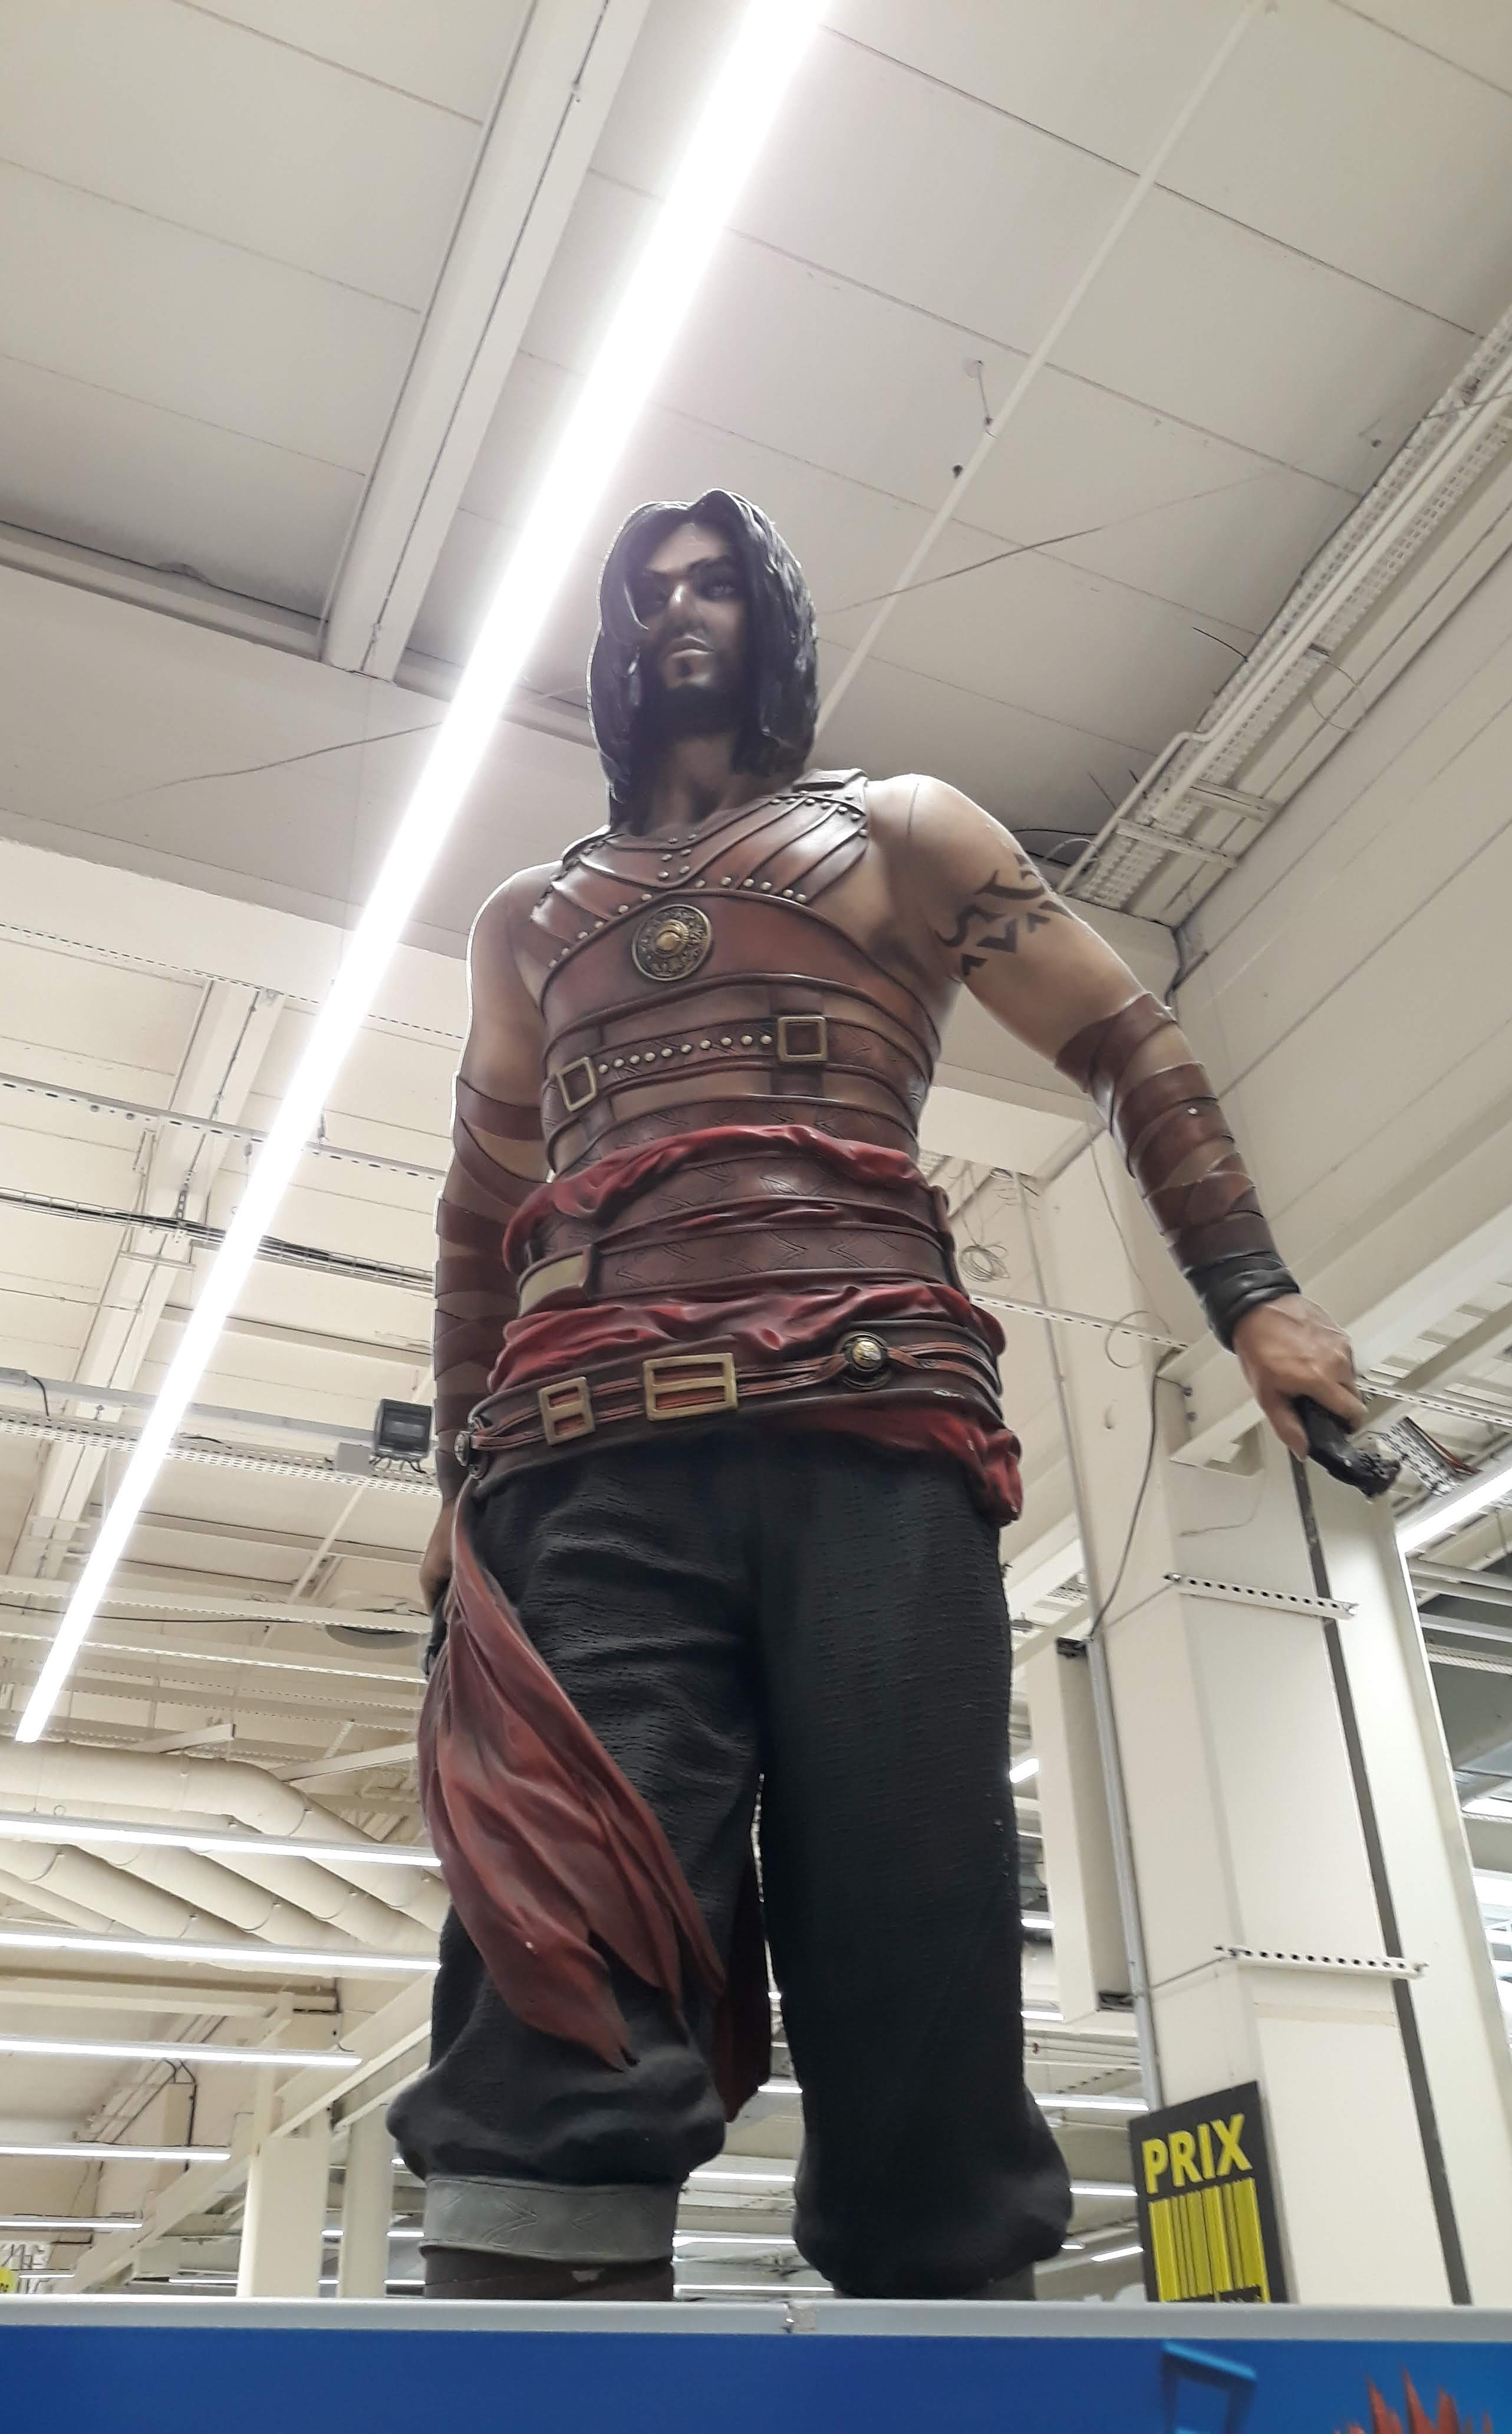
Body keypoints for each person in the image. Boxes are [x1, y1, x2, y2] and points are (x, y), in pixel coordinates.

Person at [387, 492, 1363, 2303]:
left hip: (872, 1429)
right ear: (611, 645)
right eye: (647, 593)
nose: (682, 611)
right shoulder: (531, 921)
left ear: (773, 618)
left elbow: (1125, 1039)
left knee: (911, 1904)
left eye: (714, 583)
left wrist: (1256, 1294)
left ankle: (944, 2328)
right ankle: (530, 2347)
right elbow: (477, 1213)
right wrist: (455, 1480)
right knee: (561, 1903)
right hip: (588, 1466)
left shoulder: (900, 835)